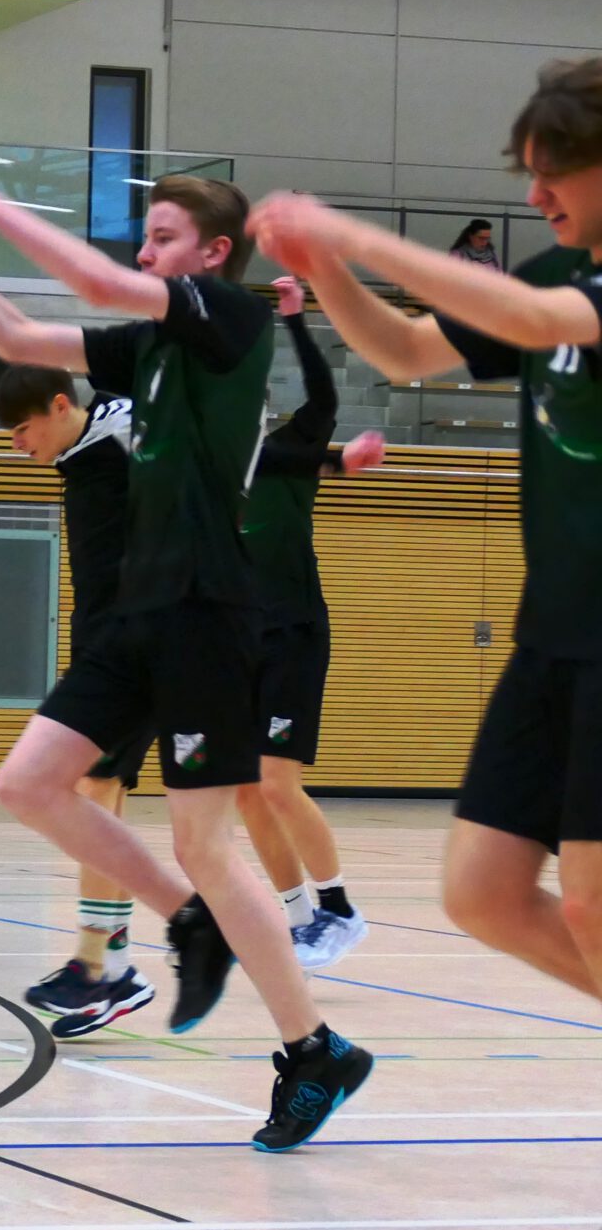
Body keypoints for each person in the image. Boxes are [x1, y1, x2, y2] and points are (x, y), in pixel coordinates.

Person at [0, 148, 372, 1152]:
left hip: (205, 610)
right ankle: (189, 922)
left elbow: (97, 279)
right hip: (133, 615)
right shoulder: (148, 345)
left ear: (214, 252)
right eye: (144, 238)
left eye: (161, 237)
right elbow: (17, 336)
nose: (144, 251)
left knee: (206, 842)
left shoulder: (230, 318)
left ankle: (314, 1048)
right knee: (28, 783)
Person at [247, 55, 602, 1217]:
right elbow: (405, 351)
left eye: (555, 173)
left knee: (593, 905)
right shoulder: (554, 271)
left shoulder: (564, 297)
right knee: (484, 891)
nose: (534, 196)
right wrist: (326, 271)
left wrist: (351, 231)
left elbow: (540, 321)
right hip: (554, 634)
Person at [0, 364, 157, 1036]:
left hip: (138, 645)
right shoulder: (81, 447)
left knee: (90, 792)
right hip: (102, 645)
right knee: (100, 798)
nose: (17, 444)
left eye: (22, 429)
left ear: (60, 406)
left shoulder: (123, 433)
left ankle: (100, 967)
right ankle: (109, 965)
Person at [235, 274, 387, 972]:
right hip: (238, 641)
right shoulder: (205, 469)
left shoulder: (287, 455)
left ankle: (340, 909)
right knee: (246, 790)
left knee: (276, 781)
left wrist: (296, 319)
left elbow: (324, 403)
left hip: (292, 630)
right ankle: (300, 920)